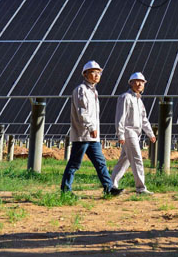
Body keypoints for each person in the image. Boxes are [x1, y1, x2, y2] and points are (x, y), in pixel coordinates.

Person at [60, 61, 122, 196]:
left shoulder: (93, 91)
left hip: (93, 136)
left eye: (98, 72)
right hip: (83, 135)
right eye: (93, 72)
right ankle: (65, 190)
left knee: (101, 162)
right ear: (85, 74)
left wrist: (94, 130)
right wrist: (91, 127)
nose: (96, 75)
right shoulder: (81, 90)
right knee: (74, 164)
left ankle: (109, 188)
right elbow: (82, 111)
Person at [111, 72, 156, 195]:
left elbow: (144, 119)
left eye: (142, 82)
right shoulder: (125, 97)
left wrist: (150, 133)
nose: (139, 84)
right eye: (136, 81)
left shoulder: (139, 101)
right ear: (130, 83)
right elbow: (120, 117)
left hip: (137, 133)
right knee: (137, 159)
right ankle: (140, 188)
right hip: (128, 132)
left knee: (124, 161)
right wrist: (120, 134)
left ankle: (111, 184)